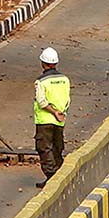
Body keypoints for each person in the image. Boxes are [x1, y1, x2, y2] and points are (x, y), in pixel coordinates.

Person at [32, 47, 71, 188]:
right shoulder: (65, 80)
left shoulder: (41, 81)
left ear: (43, 63)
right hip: (60, 120)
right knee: (57, 147)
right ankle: (59, 174)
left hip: (44, 121)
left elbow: (41, 102)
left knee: (44, 148)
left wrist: (53, 112)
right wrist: (60, 112)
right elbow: (67, 100)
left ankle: (52, 177)